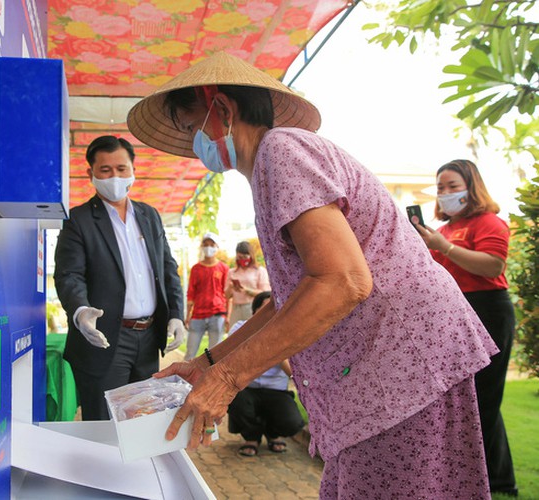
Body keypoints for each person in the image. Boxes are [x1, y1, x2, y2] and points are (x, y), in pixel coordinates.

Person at [126, 51, 497, 497]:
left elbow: (343, 281)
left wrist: (228, 379)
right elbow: (294, 294)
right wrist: (208, 363)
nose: (193, 145)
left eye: (191, 128)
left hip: (403, 363)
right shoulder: (270, 168)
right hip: (389, 364)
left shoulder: (281, 151)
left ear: (222, 110)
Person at [53, 135, 186, 421]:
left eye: (122, 169)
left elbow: (167, 268)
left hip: (149, 338)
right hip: (105, 340)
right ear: (91, 174)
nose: (115, 176)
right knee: (105, 425)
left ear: (132, 170)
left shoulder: (149, 215)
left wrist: (176, 313)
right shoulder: (79, 220)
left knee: (145, 420)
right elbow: (68, 275)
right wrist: (80, 310)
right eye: (105, 170)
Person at [414, 159, 517, 496]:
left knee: (484, 398)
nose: (445, 193)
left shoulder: (489, 222)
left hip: (487, 309)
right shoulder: (441, 230)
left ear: (472, 188)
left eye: (453, 186)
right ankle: (499, 481)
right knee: (469, 400)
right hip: (454, 313)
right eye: (440, 187)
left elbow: (493, 265)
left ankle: (479, 482)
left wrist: (443, 248)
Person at [227, 291, 304, 457]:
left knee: (293, 423)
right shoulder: (240, 328)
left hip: (276, 391)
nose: (271, 316)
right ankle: (251, 437)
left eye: (277, 311)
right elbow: (231, 361)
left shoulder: (290, 334)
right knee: (236, 400)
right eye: (265, 311)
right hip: (246, 388)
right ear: (254, 313)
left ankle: (272, 433)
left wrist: (277, 350)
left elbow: (293, 373)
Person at [184, 232, 229, 360]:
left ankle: (212, 379)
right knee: (190, 352)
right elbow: (191, 293)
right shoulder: (196, 269)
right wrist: (188, 316)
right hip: (198, 315)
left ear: (217, 246)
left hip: (217, 314)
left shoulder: (223, 268)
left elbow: (227, 294)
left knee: (215, 355)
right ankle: (184, 379)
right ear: (202, 247)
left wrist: (227, 316)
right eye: (206, 244)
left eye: (212, 244)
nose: (209, 247)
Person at [226, 240, 270, 325]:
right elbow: (227, 296)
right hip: (236, 308)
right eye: (239, 257)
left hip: (251, 306)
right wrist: (231, 287)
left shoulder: (259, 271)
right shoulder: (232, 272)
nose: (242, 260)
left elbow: (265, 294)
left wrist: (246, 290)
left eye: (244, 257)